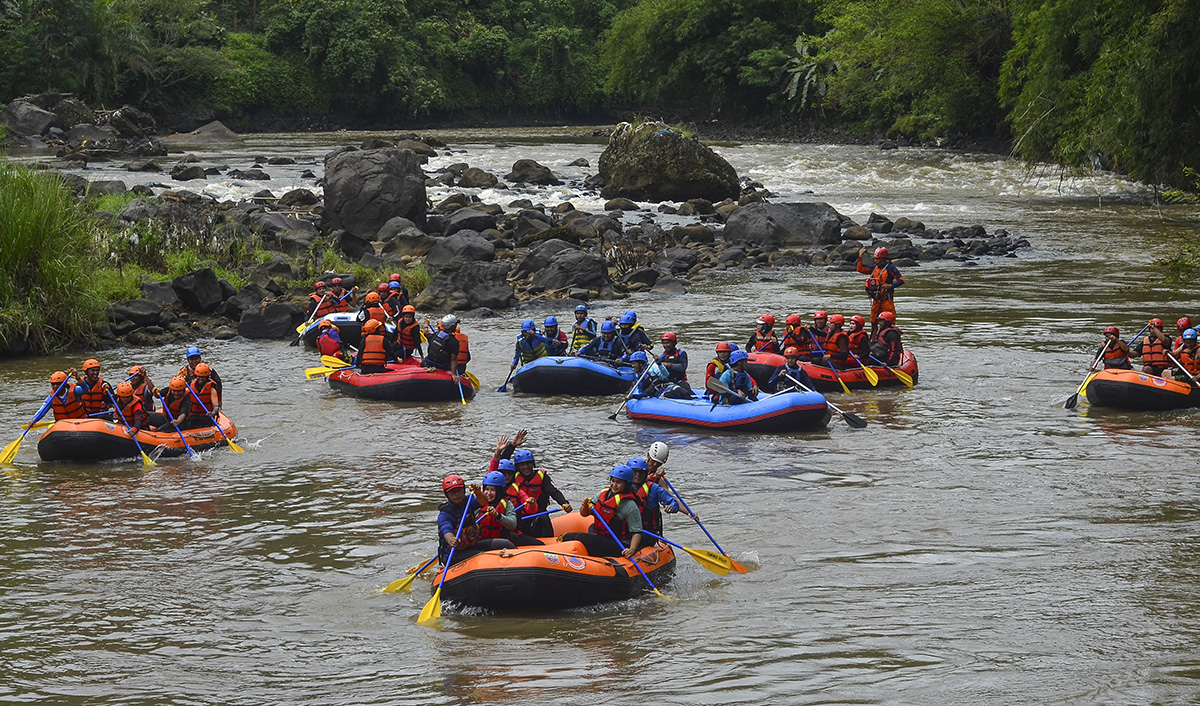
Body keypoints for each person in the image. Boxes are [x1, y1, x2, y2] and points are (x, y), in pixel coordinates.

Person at [563, 464, 644, 558]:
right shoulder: (604, 494)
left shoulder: (630, 505)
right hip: (602, 536)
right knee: (583, 531)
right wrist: (584, 506)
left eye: (618, 482)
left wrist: (632, 550)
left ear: (626, 484)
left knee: (579, 538)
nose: (614, 485)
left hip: (619, 543)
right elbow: (584, 514)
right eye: (613, 481)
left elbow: (637, 532)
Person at [437, 474, 513, 567]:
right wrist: (451, 539)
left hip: (472, 545)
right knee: (484, 556)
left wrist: (478, 492)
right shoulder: (444, 514)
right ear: (447, 495)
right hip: (454, 554)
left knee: (506, 544)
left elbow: (484, 502)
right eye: (452, 492)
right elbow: (446, 530)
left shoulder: (468, 501)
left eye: (459, 491)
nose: (457, 494)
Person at [512, 448, 573, 537]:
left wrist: (564, 503)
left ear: (533, 464)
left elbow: (554, 492)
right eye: (522, 464)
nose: (525, 467)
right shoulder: (513, 478)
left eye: (528, 463)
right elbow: (500, 464)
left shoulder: (542, 477)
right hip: (521, 517)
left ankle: (549, 541)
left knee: (544, 518)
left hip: (540, 514)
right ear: (517, 467)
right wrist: (512, 446)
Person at [857, 246, 904, 336]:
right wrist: (860, 257)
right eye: (875, 259)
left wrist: (890, 285)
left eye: (877, 259)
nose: (875, 261)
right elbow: (860, 269)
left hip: (886, 300)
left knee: (889, 321)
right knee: (873, 321)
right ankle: (873, 339)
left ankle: (890, 337)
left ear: (883, 259)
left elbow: (901, 280)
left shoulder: (890, 268)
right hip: (876, 300)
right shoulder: (874, 268)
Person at [628, 457, 679, 536]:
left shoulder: (654, 488)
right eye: (634, 471)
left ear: (645, 473)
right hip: (628, 530)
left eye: (641, 472)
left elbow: (673, 501)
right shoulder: (621, 486)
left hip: (649, 532)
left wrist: (671, 507)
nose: (638, 474)